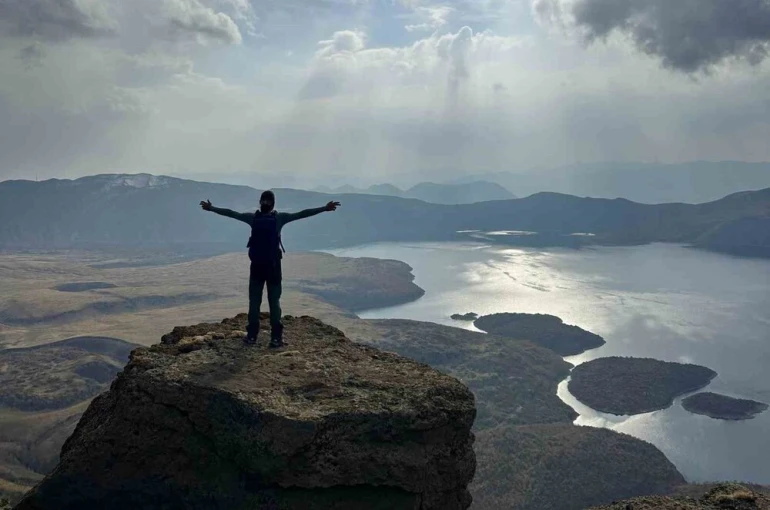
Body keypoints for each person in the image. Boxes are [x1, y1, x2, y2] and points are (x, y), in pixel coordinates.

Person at [200, 191, 341, 348]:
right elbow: (302, 214)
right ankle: (275, 338)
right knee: (274, 301)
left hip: (256, 267)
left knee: (254, 301)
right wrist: (324, 208)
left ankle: (252, 336)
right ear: (273, 204)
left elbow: (232, 213)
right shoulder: (279, 218)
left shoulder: (253, 218)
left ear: (260, 202)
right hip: (274, 267)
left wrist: (212, 208)